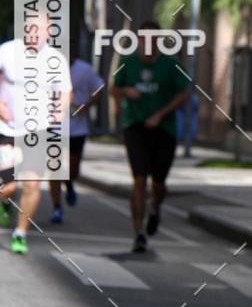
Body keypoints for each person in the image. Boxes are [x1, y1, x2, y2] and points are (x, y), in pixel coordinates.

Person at [110, 20, 189, 253]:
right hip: (135, 126)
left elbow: (183, 93)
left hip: (164, 129)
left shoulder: (171, 64)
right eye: (144, 39)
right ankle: (139, 232)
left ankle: (155, 207)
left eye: (153, 39)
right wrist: (126, 92)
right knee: (139, 180)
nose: (148, 44)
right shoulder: (128, 61)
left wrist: (161, 114)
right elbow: (114, 89)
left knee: (158, 184)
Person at [0, 20, 71, 253]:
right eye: (29, 27)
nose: (34, 33)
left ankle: (20, 233)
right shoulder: (7, 51)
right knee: (7, 188)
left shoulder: (55, 59)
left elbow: (65, 92)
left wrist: (59, 111)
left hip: (38, 130)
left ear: (49, 32)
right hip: (6, 129)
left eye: (39, 29)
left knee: (32, 184)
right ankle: (5, 204)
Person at [49, 39, 104, 223]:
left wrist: (86, 106)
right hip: (53, 126)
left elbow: (99, 89)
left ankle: (70, 182)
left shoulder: (85, 69)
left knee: (72, 168)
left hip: (77, 127)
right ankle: (57, 207)